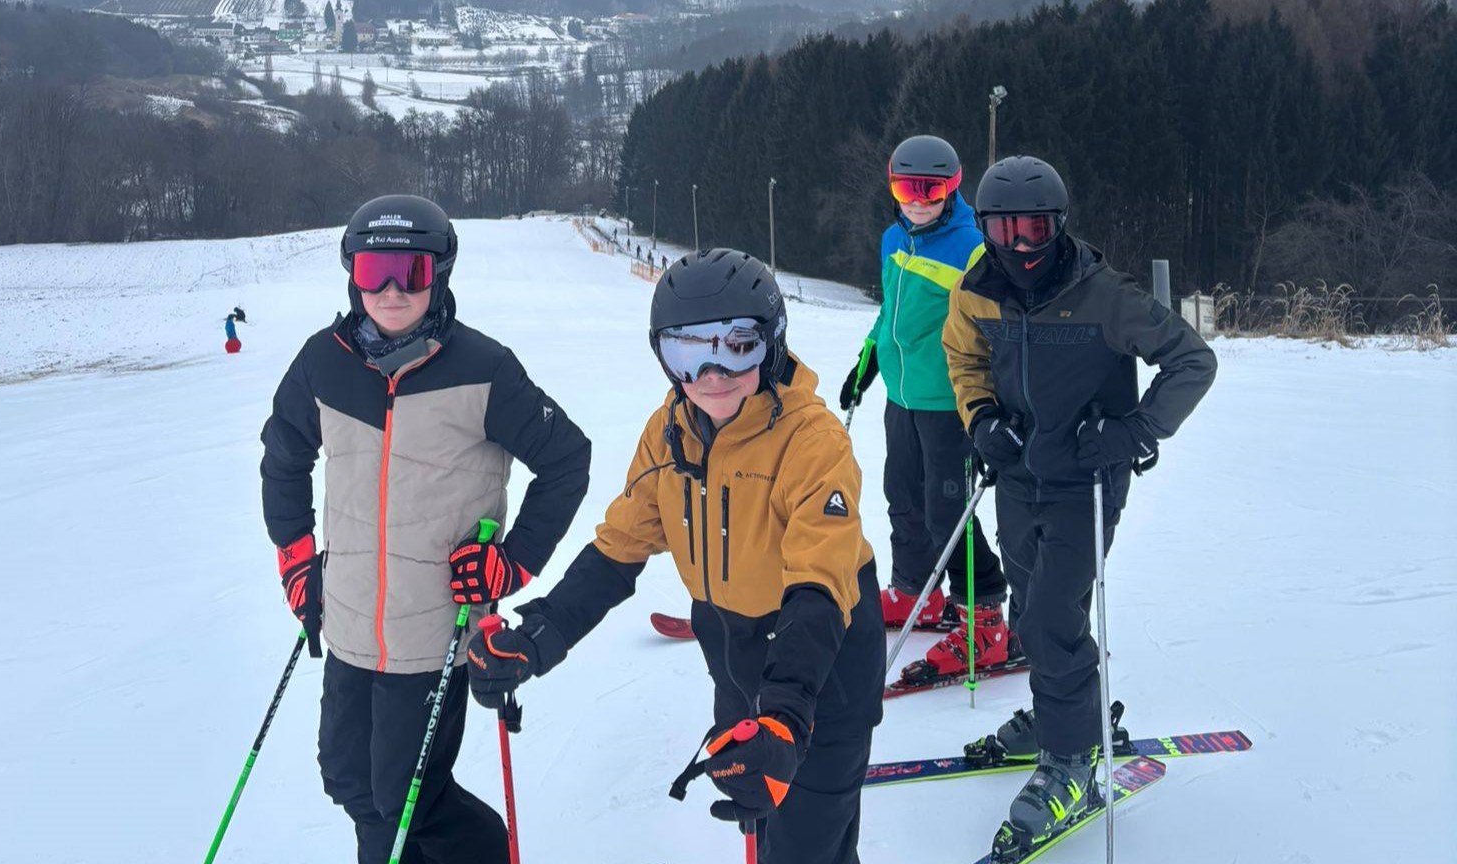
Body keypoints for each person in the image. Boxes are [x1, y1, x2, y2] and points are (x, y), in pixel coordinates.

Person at [464, 249, 885, 864]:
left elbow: (819, 582)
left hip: (822, 665)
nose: (711, 373)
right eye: (687, 352)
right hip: (735, 660)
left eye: (736, 346)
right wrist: (539, 635)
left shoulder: (812, 440)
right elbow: (619, 549)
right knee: (766, 835)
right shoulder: (670, 431)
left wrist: (789, 717)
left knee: (808, 848)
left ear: (771, 344)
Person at [259, 193, 591, 864]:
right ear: (351, 274)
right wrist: (298, 562)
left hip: (433, 629)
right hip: (348, 617)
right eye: (372, 271)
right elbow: (283, 456)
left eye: (407, 272)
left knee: (404, 798)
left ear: (437, 274)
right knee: (348, 778)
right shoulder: (322, 364)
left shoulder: (484, 369)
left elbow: (566, 461)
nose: (388, 290)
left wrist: (511, 564)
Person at [941, 156, 1216, 852]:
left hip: (1087, 481)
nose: (1022, 246)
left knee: (1053, 616)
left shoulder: (1101, 294)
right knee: (1031, 611)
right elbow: (966, 361)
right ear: (986, 229)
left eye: (1035, 229)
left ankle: (1070, 762)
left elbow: (1191, 360)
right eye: (1005, 230)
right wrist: (981, 421)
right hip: (1017, 475)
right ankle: (1062, 714)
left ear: (1058, 226)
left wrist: (1132, 431)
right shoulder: (976, 293)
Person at [838, 134, 1010, 681]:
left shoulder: (971, 248)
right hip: (901, 397)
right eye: (904, 188)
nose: (916, 200)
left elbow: (994, 332)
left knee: (947, 510)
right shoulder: (894, 238)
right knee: (901, 497)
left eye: (929, 190)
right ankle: (918, 591)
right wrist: (867, 360)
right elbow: (890, 312)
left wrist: (994, 404)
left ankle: (983, 615)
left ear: (952, 189)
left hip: (949, 404)